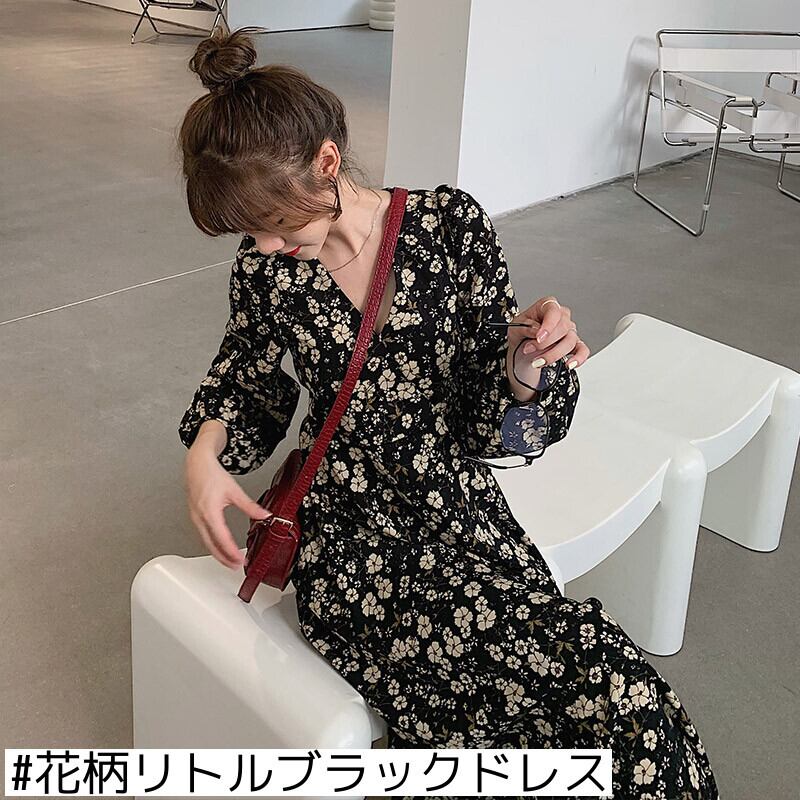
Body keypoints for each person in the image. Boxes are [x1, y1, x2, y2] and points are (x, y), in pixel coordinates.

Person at [176, 26, 720, 800]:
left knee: (607, 696)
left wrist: (524, 368)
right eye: (247, 232)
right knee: (590, 689)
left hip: (461, 517)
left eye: (274, 222)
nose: (263, 246)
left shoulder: (450, 228)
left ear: (327, 161)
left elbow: (491, 427)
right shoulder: (268, 272)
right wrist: (203, 455)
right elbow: (245, 374)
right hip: (354, 548)